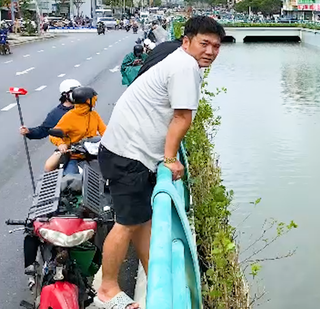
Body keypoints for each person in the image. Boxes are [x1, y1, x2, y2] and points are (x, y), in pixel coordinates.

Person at [94, 16, 224, 309]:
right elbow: (181, 117)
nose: (211, 51)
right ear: (187, 41)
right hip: (130, 155)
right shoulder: (185, 67)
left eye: (216, 46)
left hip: (126, 151)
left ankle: (156, 279)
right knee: (127, 223)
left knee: (143, 221)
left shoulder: (178, 59)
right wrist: (170, 159)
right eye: (204, 43)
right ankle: (107, 288)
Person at [47, 87, 107, 175]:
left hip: (94, 154)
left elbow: (104, 131)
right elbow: (53, 135)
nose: (95, 101)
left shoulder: (94, 114)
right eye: (93, 99)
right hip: (75, 156)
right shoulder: (69, 117)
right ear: (87, 101)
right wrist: (61, 144)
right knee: (70, 180)